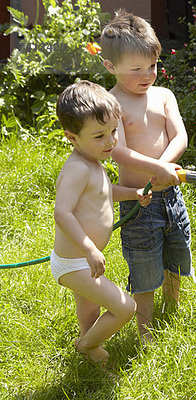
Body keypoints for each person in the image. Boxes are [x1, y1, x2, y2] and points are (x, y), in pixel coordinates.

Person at [100, 10, 193, 343]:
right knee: (144, 265)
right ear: (110, 66)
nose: (147, 75)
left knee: (176, 253)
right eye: (136, 69)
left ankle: (173, 310)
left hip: (170, 195)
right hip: (139, 199)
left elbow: (180, 137)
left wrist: (163, 168)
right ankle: (146, 331)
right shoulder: (112, 104)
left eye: (152, 66)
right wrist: (157, 172)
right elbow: (119, 152)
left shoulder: (164, 96)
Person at [53, 80, 152, 366]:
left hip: (82, 261)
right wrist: (89, 249)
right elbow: (63, 213)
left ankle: (92, 359)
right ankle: (85, 345)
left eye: (113, 132)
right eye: (99, 136)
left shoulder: (94, 163)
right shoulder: (77, 169)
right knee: (125, 307)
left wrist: (133, 194)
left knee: (90, 313)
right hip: (75, 262)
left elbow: (106, 194)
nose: (110, 141)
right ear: (72, 138)